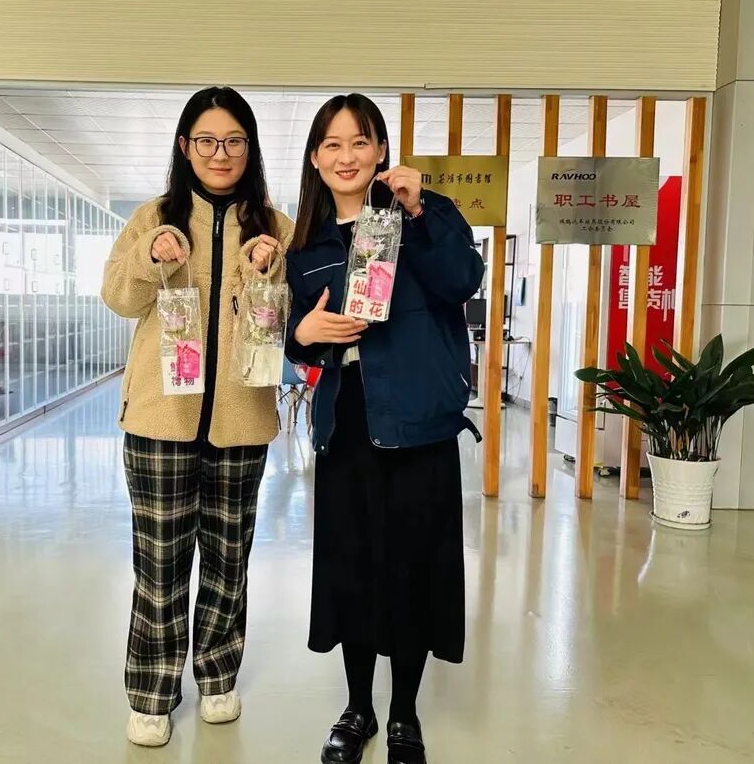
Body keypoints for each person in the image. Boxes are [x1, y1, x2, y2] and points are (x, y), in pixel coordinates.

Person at [285, 94, 484, 764]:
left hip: (419, 426)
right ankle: (358, 708)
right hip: (346, 426)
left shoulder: (424, 213)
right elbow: (292, 335)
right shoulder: (308, 245)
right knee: (353, 570)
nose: (347, 156)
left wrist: (420, 210)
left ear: (380, 150)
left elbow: (461, 280)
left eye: (360, 142)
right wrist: (304, 333)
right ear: (316, 159)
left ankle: (403, 714)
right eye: (332, 145)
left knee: (412, 571)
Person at [101, 86, 294, 747]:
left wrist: (266, 273)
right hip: (161, 419)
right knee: (159, 563)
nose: (220, 153)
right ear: (185, 147)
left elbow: (281, 323)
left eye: (234, 141)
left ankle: (217, 675)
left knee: (228, 559)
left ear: (250, 148)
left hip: (241, 419)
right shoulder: (155, 216)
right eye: (207, 140)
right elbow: (118, 297)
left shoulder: (274, 223)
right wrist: (149, 258)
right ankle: (152, 692)